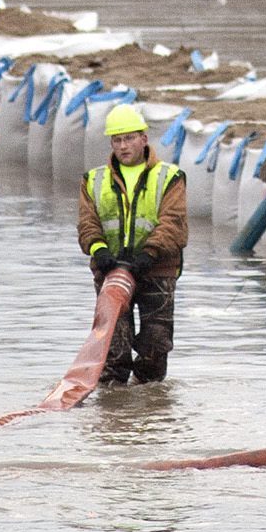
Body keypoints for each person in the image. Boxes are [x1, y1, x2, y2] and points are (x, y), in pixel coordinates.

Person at [77, 103, 187, 386]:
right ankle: (116, 413)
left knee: (155, 347)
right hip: (111, 272)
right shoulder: (93, 180)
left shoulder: (169, 177)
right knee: (113, 354)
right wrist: (99, 249)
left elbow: (173, 223)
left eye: (128, 138)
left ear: (143, 139)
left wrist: (148, 254)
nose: (123, 146)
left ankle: (148, 404)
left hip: (156, 271)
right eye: (117, 140)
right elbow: (88, 223)